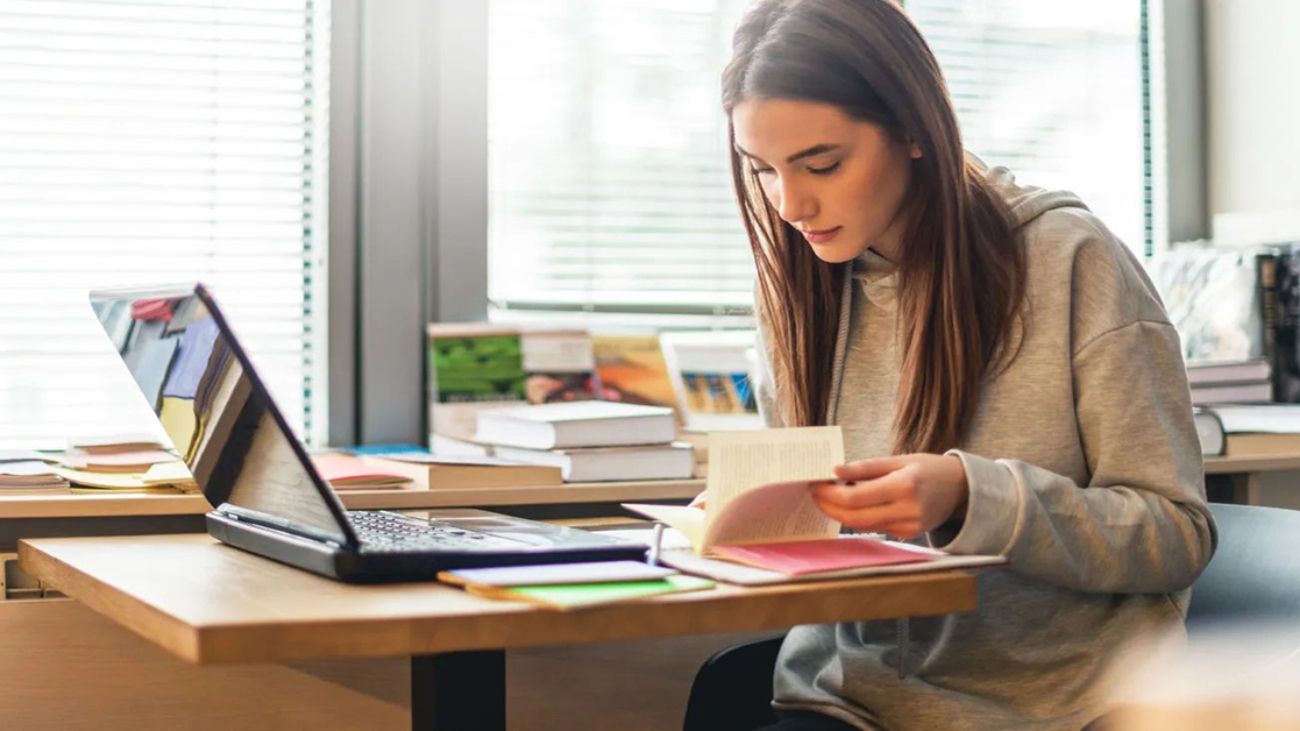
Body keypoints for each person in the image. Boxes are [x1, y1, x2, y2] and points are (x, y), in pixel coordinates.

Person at [714, 1, 1218, 729]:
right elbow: (818, 540)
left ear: (915, 130)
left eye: (822, 163)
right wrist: (750, 524)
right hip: (849, 702)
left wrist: (972, 498)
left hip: (1056, 709)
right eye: (762, 170)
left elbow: (1175, 535)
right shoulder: (799, 289)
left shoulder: (1069, 260)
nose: (790, 203)